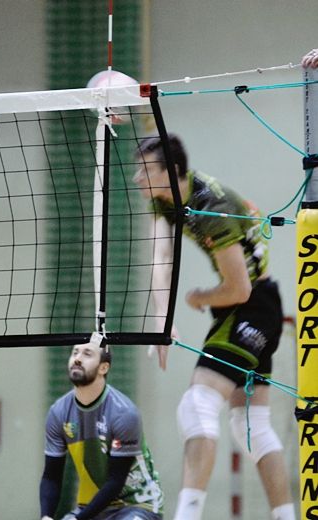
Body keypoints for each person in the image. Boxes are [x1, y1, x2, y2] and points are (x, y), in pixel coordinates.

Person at [134, 134, 294, 520]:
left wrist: (199, 298)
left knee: (197, 404)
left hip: (251, 305)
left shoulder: (211, 209)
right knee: (250, 426)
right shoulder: (166, 197)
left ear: (171, 172)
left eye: (145, 170)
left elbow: (237, 289)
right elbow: (162, 256)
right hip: (249, 306)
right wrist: (162, 317)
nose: (138, 177)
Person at [40, 341, 163, 520]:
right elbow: (51, 476)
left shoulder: (124, 413)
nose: (77, 359)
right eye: (75, 353)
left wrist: (77, 519)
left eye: (87, 354)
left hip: (136, 504)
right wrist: (46, 516)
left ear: (103, 367)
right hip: (89, 507)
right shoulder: (58, 412)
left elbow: (115, 482)